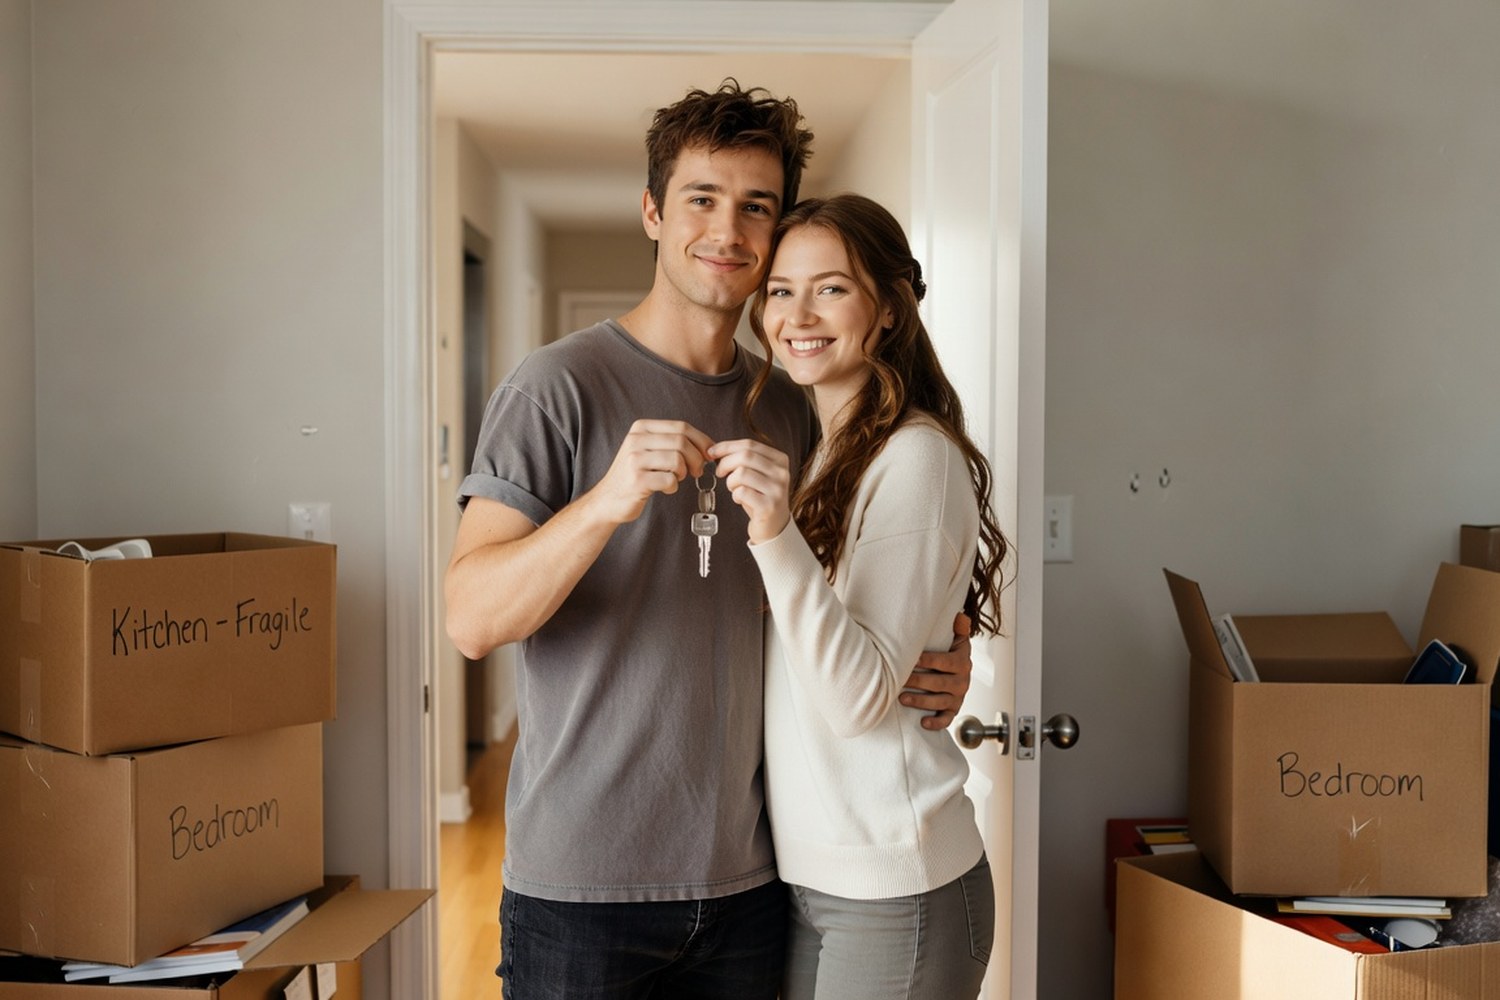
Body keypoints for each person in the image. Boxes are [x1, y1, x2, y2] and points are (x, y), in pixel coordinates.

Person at [444, 81, 972, 1000]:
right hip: (583, 890)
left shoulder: (798, 406)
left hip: (755, 884)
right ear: (654, 212)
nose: (727, 231)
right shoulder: (555, 388)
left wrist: (944, 653)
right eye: (701, 199)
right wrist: (606, 501)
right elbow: (471, 621)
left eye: (756, 206)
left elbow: (860, 593)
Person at [708, 193, 1010, 1000]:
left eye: (831, 287)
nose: (797, 313)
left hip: (895, 886)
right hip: (817, 877)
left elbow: (855, 698)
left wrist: (774, 533)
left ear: (886, 309)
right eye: (780, 289)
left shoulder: (914, 457)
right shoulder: (825, 453)